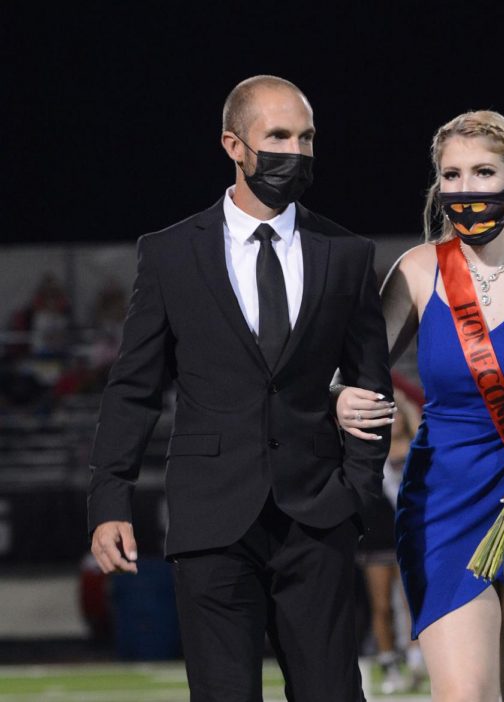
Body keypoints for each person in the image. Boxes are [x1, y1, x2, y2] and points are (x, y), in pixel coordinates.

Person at [87, 75, 392, 702]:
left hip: (317, 517)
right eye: (278, 135)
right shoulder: (170, 254)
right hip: (210, 519)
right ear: (234, 144)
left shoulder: (348, 253)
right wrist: (110, 499)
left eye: (306, 136)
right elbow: (133, 389)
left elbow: (372, 385)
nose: (297, 150)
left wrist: (355, 493)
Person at [336, 110, 504, 701]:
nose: (465, 188)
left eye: (483, 171)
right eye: (452, 175)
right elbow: (351, 373)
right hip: (444, 500)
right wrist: (339, 398)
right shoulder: (416, 271)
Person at [356, 379, 426, 694]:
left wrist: (408, 406)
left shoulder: (418, 446)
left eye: (398, 413)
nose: (395, 418)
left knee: (410, 601)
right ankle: (388, 664)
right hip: (377, 538)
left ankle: (415, 660)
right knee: (381, 605)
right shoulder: (372, 447)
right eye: (390, 413)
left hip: (410, 535)